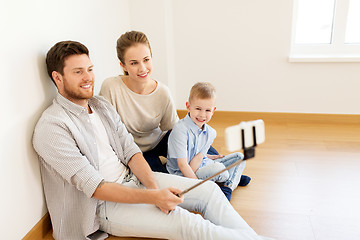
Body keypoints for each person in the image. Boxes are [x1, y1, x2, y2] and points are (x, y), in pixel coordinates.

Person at [32, 41, 273, 240]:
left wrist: (155, 190)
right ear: (57, 77)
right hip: (102, 206)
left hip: (133, 179)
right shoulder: (52, 127)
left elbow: (130, 150)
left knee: (209, 191)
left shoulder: (100, 104)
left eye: (90, 69)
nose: (88, 78)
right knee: (186, 223)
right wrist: (154, 197)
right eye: (78, 72)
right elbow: (95, 187)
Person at [99, 31, 224, 173]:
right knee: (164, 182)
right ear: (123, 65)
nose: (142, 68)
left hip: (160, 140)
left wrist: (199, 153)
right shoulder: (111, 87)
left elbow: (174, 129)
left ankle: (227, 173)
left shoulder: (163, 92)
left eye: (146, 60)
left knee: (206, 150)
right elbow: (106, 132)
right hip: (134, 151)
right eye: (134, 63)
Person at [167, 82, 248, 201]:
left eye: (207, 110)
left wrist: (208, 157)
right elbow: (183, 165)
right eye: (198, 109)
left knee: (240, 157)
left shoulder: (211, 132)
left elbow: (199, 156)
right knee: (220, 170)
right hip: (183, 173)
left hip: (201, 164)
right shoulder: (180, 130)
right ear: (188, 106)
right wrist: (197, 187)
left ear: (213, 110)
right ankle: (231, 178)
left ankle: (228, 187)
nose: (202, 115)